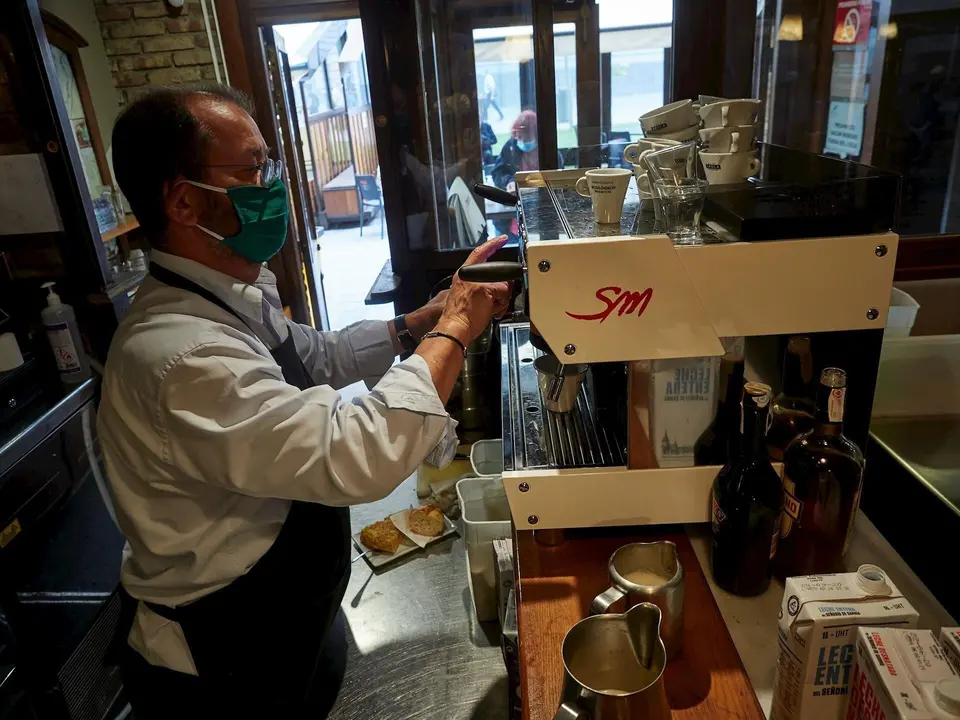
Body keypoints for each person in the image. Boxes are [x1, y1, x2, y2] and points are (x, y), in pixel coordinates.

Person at [98, 84, 510, 718]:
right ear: (183, 201)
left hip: (285, 621)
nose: (273, 186)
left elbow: (312, 357)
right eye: (252, 169)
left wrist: (415, 325)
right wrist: (455, 326)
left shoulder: (226, 292)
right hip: (224, 661)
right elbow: (357, 453)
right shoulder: (180, 353)